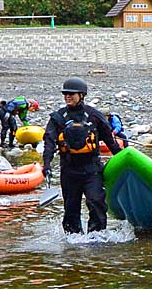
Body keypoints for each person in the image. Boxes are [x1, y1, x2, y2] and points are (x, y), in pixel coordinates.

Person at [43, 77, 122, 234]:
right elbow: (49, 143)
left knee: (96, 202)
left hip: (92, 169)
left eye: (71, 94)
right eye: (65, 94)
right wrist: (46, 165)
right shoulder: (58, 118)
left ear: (82, 95)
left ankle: (97, 238)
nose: (67, 97)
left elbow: (110, 141)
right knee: (71, 209)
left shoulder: (94, 116)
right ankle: (73, 242)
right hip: (69, 170)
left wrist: (123, 160)